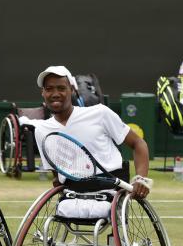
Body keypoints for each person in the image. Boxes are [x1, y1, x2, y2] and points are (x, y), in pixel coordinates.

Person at [32, 66, 151, 218]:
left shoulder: (100, 113)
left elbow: (138, 143)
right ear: (43, 93)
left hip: (111, 192)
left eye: (61, 88)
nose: (55, 94)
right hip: (71, 197)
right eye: (49, 89)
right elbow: (57, 176)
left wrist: (141, 179)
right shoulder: (41, 130)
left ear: (72, 90)